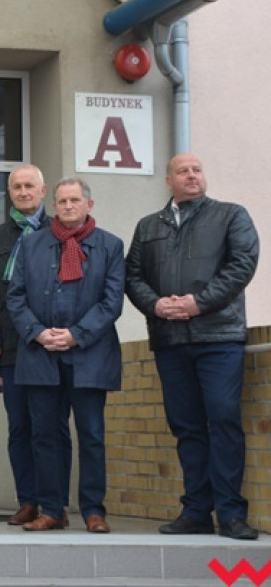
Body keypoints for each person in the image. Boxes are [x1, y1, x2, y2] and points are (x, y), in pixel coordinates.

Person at [125, 153, 260, 540]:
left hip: (218, 337)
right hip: (170, 341)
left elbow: (242, 264)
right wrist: (155, 304)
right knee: (186, 427)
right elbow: (132, 275)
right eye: (182, 171)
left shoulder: (231, 215)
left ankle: (232, 514)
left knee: (223, 420)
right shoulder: (149, 226)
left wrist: (198, 303)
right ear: (169, 180)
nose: (191, 175)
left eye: (197, 170)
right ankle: (197, 511)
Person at [7, 177, 123, 533]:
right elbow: (15, 297)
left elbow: (112, 301)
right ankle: (52, 509)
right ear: (53, 205)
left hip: (89, 355)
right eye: (62, 201)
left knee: (91, 434)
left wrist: (76, 335)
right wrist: (39, 332)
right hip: (41, 354)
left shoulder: (110, 246)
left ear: (89, 204)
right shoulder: (30, 245)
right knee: (45, 435)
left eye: (75, 200)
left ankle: (93, 510)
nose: (68, 206)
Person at [0, 165, 70, 525]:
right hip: (12, 348)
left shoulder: (58, 232)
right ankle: (28, 500)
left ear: (43, 190)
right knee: (20, 429)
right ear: (10, 192)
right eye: (17, 186)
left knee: (52, 427)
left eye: (30, 185)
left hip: (49, 345)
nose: (23, 192)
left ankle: (54, 504)